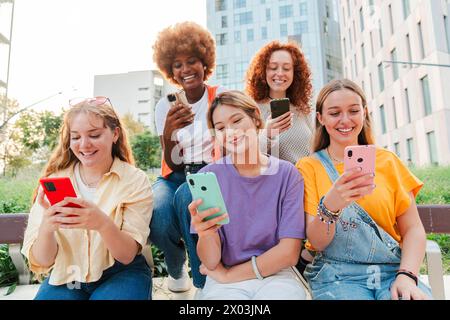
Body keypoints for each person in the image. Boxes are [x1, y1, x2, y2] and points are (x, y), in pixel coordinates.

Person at [296, 79, 432, 300]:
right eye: (334, 113)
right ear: (320, 118)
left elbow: (413, 229)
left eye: (353, 111)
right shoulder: (308, 167)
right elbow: (317, 242)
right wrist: (331, 205)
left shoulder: (388, 162)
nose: (345, 120)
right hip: (336, 276)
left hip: (392, 272)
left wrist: (407, 276)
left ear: (364, 113)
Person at [21, 97, 153, 300]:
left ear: (115, 134)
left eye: (94, 135)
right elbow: (43, 260)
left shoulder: (134, 180)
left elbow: (127, 255)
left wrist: (102, 224)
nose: (84, 144)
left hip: (120, 273)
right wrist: (47, 227)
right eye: (75, 137)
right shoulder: (53, 182)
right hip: (67, 275)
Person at [189, 91, 306, 300]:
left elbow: (288, 253)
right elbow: (211, 261)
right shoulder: (208, 177)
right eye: (221, 128)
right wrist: (205, 233)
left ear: (256, 119)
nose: (231, 131)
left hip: (276, 275)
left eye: (237, 120)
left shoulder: (288, 174)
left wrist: (229, 276)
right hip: (224, 283)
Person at [151, 21, 226, 292]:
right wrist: (170, 130)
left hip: (211, 170)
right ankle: (175, 268)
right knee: (157, 212)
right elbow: (171, 162)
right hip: (175, 173)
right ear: (170, 70)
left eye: (192, 61)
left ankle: (203, 282)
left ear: (204, 62)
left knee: (186, 196)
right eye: (177, 65)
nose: (185, 70)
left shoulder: (220, 97)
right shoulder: (165, 106)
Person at [245, 40, 314, 164]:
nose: (280, 73)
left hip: (306, 180)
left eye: (287, 68)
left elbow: (315, 150)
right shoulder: (251, 110)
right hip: (278, 181)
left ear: (295, 73)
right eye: (273, 67)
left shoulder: (302, 109)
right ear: (263, 71)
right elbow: (247, 159)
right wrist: (267, 134)